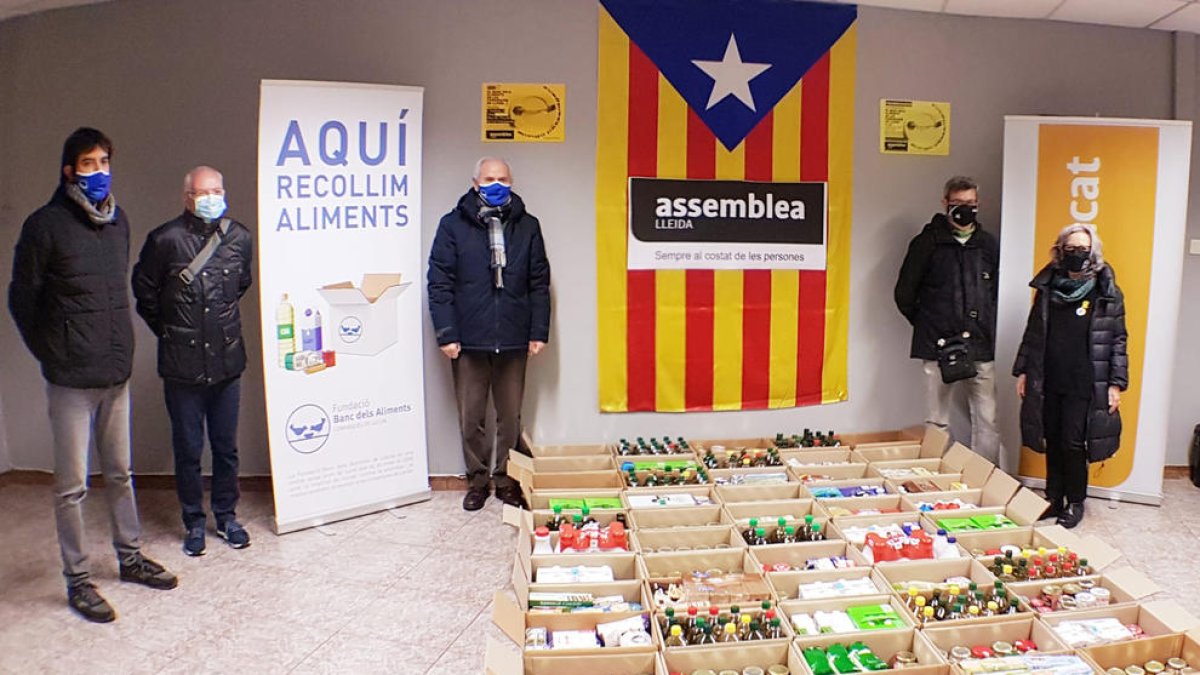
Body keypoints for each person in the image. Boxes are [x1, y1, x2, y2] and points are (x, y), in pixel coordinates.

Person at [7, 127, 178, 623]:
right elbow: (22, 300)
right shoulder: (44, 226)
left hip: (114, 373)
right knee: (72, 486)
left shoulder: (117, 221)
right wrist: (52, 353)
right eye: (88, 163)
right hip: (71, 380)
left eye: (105, 161)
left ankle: (130, 557)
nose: (100, 171)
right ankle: (78, 579)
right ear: (69, 170)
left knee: (120, 474)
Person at [132, 166, 254, 555]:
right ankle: (194, 523)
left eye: (217, 191)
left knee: (226, 447)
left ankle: (227, 517)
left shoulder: (239, 238)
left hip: (227, 362)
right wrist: (173, 333)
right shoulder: (164, 240)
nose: (211, 198)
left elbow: (241, 285)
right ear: (187, 198)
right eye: (203, 193)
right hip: (181, 367)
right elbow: (145, 294)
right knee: (188, 449)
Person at [427, 157, 551, 511]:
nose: (496, 184)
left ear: (511, 182)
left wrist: (538, 331)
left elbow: (539, 282)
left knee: (510, 418)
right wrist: (446, 334)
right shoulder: (452, 225)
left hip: (514, 336)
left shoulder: (528, 226)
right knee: (471, 418)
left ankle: (507, 481)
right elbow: (439, 283)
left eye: (503, 179)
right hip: (467, 340)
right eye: (489, 179)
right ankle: (478, 481)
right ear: (475, 182)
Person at [1014, 224, 1127, 529]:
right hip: (1049, 377)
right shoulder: (1047, 287)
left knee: (1073, 443)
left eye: (1083, 249)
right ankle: (1053, 497)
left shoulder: (1107, 290)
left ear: (1093, 252)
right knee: (1052, 438)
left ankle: (1075, 501)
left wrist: (1116, 383)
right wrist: (1023, 371)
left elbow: (1118, 340)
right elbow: (1033, 333)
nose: (1077, 254)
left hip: (1084, 382)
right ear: (1060, 251)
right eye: (1071, 248)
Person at [894, 176, 1000, 464]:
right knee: (937, 419)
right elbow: (904, 293)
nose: (965, 209)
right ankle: (936, 476)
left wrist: (986, 326)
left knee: (988, 419)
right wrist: (929, 324)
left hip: (980, 344)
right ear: (945, 203)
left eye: (970, 203)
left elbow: (996, 292)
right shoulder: (926, 243)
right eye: (958, 203)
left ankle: (985, 477)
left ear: (978, 204)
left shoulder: (988, 245)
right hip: (937, 345)